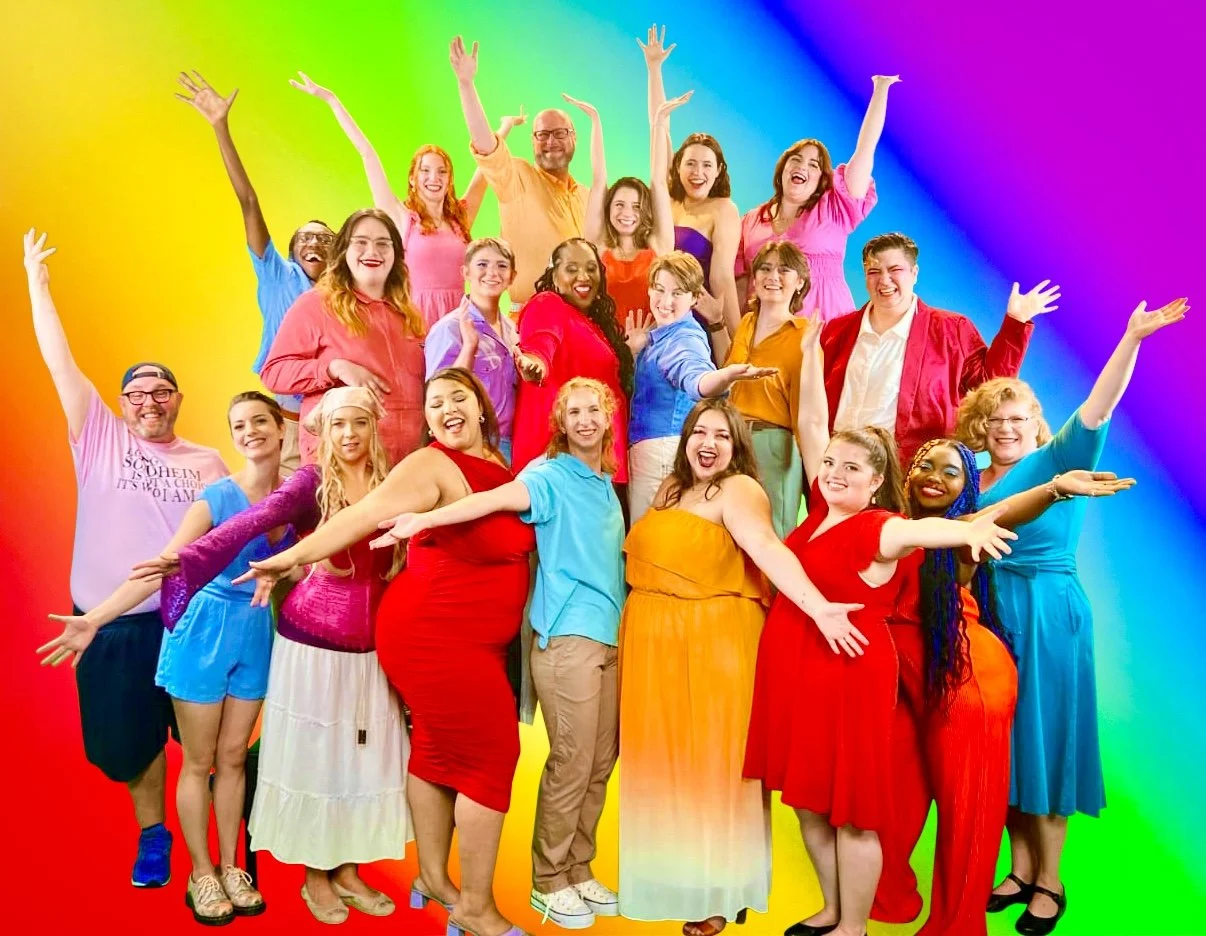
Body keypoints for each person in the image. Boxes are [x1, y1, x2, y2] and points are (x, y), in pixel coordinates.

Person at [743, 318, 1017, 936]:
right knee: (809, 802)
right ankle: (833, 906)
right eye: (832, 465)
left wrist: (968, 528)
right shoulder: (818, 512)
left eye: (852, 469)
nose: (836, 472)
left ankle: (855, 926)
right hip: (799, 676)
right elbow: (814, 426)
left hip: (847, 680)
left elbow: (923, 530)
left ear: (875, 485)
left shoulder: (880, 528)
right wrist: (811, 357)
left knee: (852, 814)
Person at [246, 370, 535, 936]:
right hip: (435, 637)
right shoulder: (428, 465)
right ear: (423, 419)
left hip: (475, 638)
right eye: (433, 403)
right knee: (492, 758)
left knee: (430, 749)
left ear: (482, 408)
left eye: (458, 398)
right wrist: (287, 559)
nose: (447, 409)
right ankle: (475, 910)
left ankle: (431, 878)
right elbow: (361, 516)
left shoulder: (501, 467)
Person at [955, 296, 1187, 935]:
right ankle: (1020, 868)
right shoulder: (972, 479)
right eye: (995, 418)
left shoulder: (1059, 460)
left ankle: (1050, 879)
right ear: (981, 426)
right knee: (1004, 741)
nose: (1006, 427)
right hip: (993, 613)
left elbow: (1100, 406)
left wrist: (1132, 337)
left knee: (1047, 740)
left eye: (1018, 417)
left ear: (1037, 424)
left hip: (1050, 611)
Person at [153, 387, 410, 923]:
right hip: (313, 641)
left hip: (371, 648)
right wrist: (191, 558)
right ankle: (315, 877)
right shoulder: (311, 482)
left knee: (359, 758)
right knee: (317, 758)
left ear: (372, 427)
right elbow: (254, 520)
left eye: (358, 423)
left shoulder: (392, 481)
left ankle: (347, 870)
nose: (348, 435)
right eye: (337, 424)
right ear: (321, 432)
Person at [379, 378, 626, 930]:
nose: (586, 420)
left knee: (600, 762)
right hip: (566, 635)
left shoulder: (604, 482)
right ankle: (548, 878)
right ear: (559, 422)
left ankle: (577, 866)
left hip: (608, 636)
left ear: (610, 417)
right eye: (574, 412)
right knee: (569, 761)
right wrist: (424, 520)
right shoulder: (546, 474)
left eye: (595, 410)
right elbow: (488, 502)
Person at [25, 229, 229, 889]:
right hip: (112, 625)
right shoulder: (97, 437)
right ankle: (153, 835)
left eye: (160, 391)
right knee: (131, 747)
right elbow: (59, 361)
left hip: (190, 624)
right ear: (119, 403)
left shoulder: (207, 462)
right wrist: (37, 282)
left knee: (210, 744)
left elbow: (233, 534)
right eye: (136, 391)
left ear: (177, 399)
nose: (148, 399)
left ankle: (220, 846)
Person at [620, 398, 866, 936]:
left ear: (737, 447)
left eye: (722, 436)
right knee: (667, 770)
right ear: (685, 438)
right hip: (653, 643)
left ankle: (721, 890)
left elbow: (766, 548)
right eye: (700, 432)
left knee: (713, 770)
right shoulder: (669, 490)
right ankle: (679, 880)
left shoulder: (739, 490)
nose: (708, 444)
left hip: (714, 643)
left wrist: (817, 606)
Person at [873, 438, 1133, 936]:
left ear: (967, 488)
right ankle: (890, 895)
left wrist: (1055, 488)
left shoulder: (963, 530)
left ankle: (958, 924)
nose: (934, 476)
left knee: (967, 811)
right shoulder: (888, 527)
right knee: (892, 799)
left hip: (968, 682)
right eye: (925, 465)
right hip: (914, 685)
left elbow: (1006, 510)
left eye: (951, 473)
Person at [49, 392, 290, 923]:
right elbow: (163, 565)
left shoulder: (298, 496)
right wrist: (96, 617)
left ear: (280, 428)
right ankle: (201, 873)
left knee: (232, 759)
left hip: (253, 636)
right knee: (198, 761)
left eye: (259, 422)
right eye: (238, 425)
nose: (249, 432)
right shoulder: (215, 497)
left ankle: (232, 867)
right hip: (201, 635)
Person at [176, 70, 332, 470]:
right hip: (290, 419)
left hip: (334, 417)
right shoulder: (278, 275)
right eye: (305, 239)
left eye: (325, 239)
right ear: (291, 250)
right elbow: (248, 200)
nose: (314, 243)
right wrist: (220, 127)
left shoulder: (344, 292)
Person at [289, 72, 527, 330]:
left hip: (458, 325)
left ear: (449, 180)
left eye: (441, 171)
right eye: (425, 171)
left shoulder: (460, 218)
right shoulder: (402, 218)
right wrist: (332, 100)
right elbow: (368, 155)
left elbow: (486, 165)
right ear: (413, 179)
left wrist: (506, 126)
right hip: (413, 325)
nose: (433, 178)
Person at [822, 232, 1060, 465]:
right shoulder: (837, 331)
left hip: (914, 471)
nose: (884, 280)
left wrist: (1015, 323)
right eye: (874, 272)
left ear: (914, 273)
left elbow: (988, 387)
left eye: (895, 270)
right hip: (839, 468)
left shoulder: (951, 329)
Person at [260, 208, 426, 465]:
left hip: (405, 466)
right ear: (344, 251)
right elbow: (273, 372)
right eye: (360, 242)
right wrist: (334, 368)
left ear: (396, 255)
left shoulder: (410, 315)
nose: (372, 251)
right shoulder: (317, 305)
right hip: (343, 464)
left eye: (383, 244)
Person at [627, 251, 777, 523]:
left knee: (650, 540)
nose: (665, 301)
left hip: (661, 453)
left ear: (695, 298)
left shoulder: (684, 338)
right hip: (655, 450)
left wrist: (724, 376)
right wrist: (637, 351)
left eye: (677, 293)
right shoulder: (662, 335)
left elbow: (697, 380)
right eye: (659, 289)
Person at [735, 76, 900, 322]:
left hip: (825, 325)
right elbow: (741, 281)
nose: (803, 166)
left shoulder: (833, 207)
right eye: (796, 159)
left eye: (813, 165)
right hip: (765, 329)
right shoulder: (751, 220)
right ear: (782, 169)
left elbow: (865, 149)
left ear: (822, 180)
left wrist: (881, 88)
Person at [451, 36, 589, 307]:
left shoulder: (588, 195)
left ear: (575, 138)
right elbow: (486, 145)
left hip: (585, 321)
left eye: (560, 133)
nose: (551, 142)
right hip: (531, 323)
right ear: (533, 142)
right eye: (542, 134)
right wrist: (466, 85)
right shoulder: (517, 179)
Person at [641, 25, 742, 334]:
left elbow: (722, 276)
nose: (698, 172)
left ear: (718, 171)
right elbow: (660, 127)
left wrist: (735, 338)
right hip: (652, 309)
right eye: (691, 163)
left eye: (707, 165)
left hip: (694, 319)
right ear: (678, 167)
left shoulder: (723, 209)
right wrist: (654, 69)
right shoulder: (666, 201)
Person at [511, 239, 632, 484]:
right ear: (554, 276)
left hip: (601, 463)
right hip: (562, 466)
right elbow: (541, 342)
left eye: (591, 268)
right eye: (572, 268)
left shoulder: (594, 326)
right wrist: (536, 363)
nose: (583, 276)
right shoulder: (547, 303)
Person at [565, 88, 688, 326]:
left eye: (636, 206)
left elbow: (659, 181)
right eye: (619, 204)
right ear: (608, 208)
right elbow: (599, 179)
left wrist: (660, 123)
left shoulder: (658, 245)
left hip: (651, 349)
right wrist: (595, 120)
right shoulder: (598, 246)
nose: (627, 213)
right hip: (607, 348)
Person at [723, 240, 812, 537]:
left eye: (783, 270)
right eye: (765, 268)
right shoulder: (747, 323)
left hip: (774, 446)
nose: (772, 276)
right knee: (729, 530)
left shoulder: (804, 338)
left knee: (772, 533)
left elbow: (807, 415)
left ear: (799, 282)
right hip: (732, 439)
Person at [424, 238, 521, 461]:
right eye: (482, 265)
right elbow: (439, 395)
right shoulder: (448, 329)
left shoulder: (512, 330)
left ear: (512, 276)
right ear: (466, 272)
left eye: (502, 266)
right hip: (471, 444)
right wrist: (469, 347)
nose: (492, 272)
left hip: (509, 444)